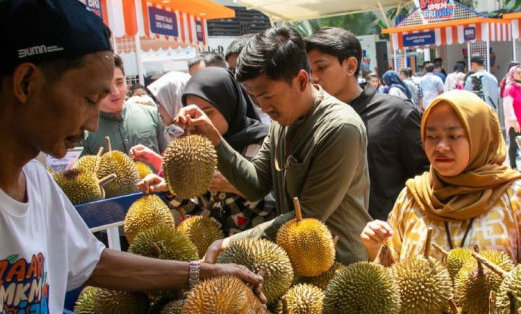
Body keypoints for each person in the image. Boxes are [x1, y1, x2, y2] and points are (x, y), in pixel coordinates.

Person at [0, 0, 263, 314]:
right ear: (25, 82)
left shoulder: (37, 184)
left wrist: (203, 273)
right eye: (87, 97)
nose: (92, 119)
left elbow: (96, 262)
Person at [179, 26, 372, 265]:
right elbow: (256, 184)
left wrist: (232, 243)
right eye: (254, 98)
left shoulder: (340, 128)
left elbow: (308, 215)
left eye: (268, 96)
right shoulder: (281, 122)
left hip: (340, 265)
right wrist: (214, 139)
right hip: (296, 263)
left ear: (301, 80)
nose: (262, 107)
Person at [361, 90, 521, 263]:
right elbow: (391, 271)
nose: (441, 146)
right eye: (432, 136)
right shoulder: (412, 198)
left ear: (480, 136)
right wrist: (374, 247)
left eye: (453, 136)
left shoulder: (515, 196)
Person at [305, 28, 429, 220]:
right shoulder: (311, 119)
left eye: (321, 68)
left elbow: (426, 177)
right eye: (309, 70)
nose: (313, 78)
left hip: (387, 238)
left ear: (350, 66)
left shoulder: (396, 113)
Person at [138, 67, 275, 235]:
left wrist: (238, 186)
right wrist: (170, 189)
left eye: (208, 113)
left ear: (229, 106)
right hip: (219, 252)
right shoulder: (201, 149)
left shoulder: (264, 143)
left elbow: (278, 205)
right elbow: (201, 210)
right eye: (195, 114)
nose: (201, 122)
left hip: (260, 246)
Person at [81, 54, 168, 155]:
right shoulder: (83, 132)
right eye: (107, 86)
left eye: (119, 83)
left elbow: (166, 159)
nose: (115, 92)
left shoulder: (151, 115)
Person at [502, 65, 521, 169]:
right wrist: (514, 121)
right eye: (518, 73)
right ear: (512, 74)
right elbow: (507, 106)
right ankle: (513, 166)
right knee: (514, 144)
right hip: (515, 122)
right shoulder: (509, 88)